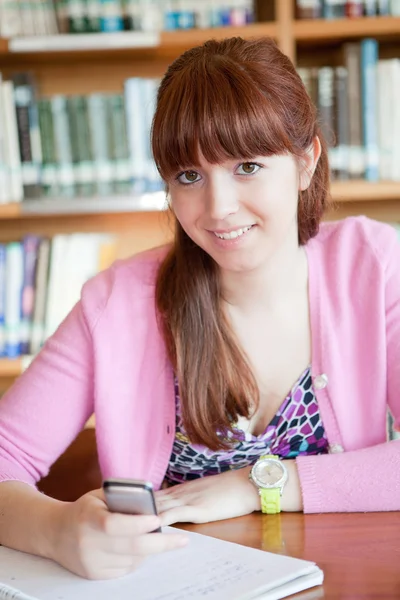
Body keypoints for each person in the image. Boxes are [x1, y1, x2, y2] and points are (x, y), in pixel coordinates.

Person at [0, 36, 399, 581]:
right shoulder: (116, 303)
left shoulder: (374, 266)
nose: (218, 208)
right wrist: (56, 530)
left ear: (306, 162)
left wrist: (259, 483)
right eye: (189, 176)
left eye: (248, 166)